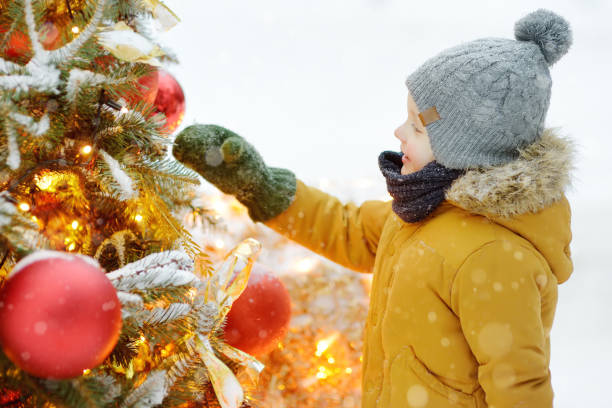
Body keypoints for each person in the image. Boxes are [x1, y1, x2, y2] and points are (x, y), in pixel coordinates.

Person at [173, 9, 574, 408]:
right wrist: (260, 185)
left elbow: (519, 387)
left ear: (467, 150)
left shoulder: (495, 259)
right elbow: (347, 227)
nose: (399, 132)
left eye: (418, 126)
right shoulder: (427, 210)